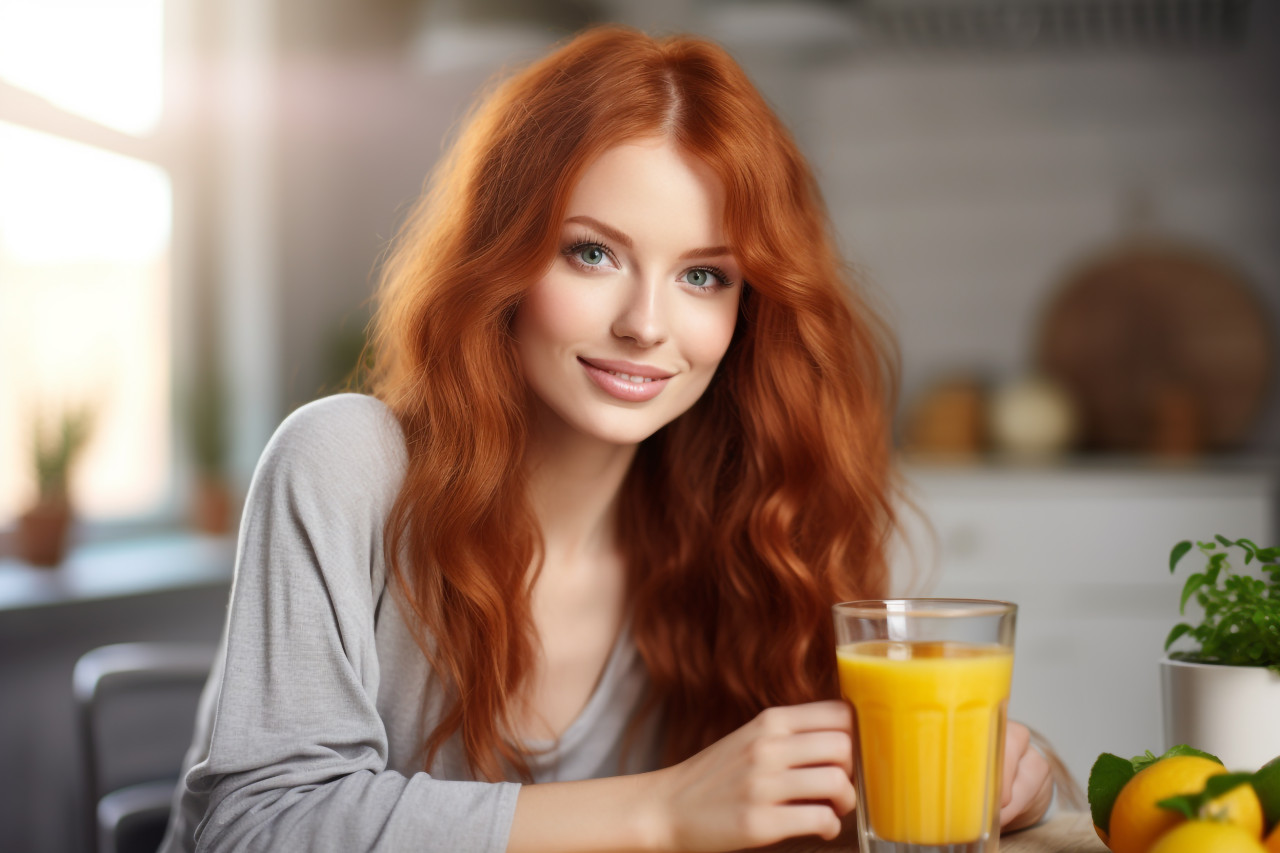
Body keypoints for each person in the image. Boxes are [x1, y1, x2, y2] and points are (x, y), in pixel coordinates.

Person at [161, 25, 1052, 853]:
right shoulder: (346, 463)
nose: (645, 325)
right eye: (592, 253)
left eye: (704, 275)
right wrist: (664, 807)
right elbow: (256, 823)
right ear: (500, 257)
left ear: (748, 313)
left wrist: (1023, 777)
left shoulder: (734, 525)